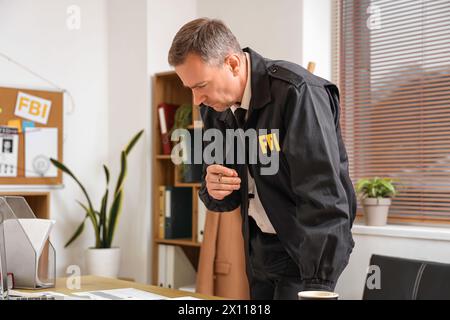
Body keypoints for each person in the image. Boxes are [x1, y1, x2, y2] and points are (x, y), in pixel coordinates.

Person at [168, 18, 356, 300]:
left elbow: (324, 197)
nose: (196, 100)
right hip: (258, 251)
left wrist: (319, 283)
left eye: (201, 85)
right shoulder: (214, 108)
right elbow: (224, 196)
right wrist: (215, 189)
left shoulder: (298, 92)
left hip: (303, 254)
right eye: (190, 88)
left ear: (232, 64)